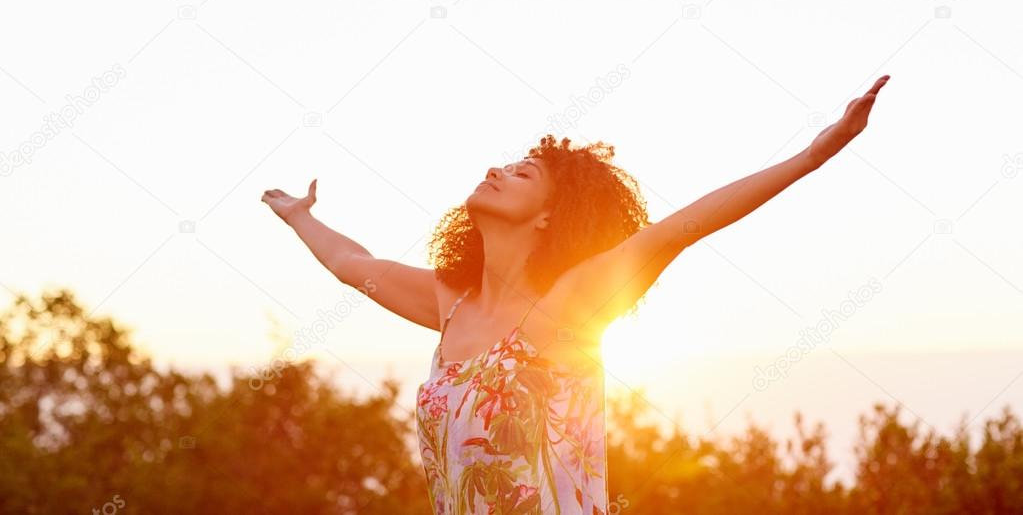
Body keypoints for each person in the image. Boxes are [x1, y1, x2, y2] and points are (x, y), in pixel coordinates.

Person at [261, 74, 890, 513]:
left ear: (548, 218)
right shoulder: (448, 305)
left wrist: (813, 154)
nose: (496, 170)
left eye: (522, 172)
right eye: (503, 166)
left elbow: (683, 227)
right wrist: (300, 217)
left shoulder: (568, 306)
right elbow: (353, 264)